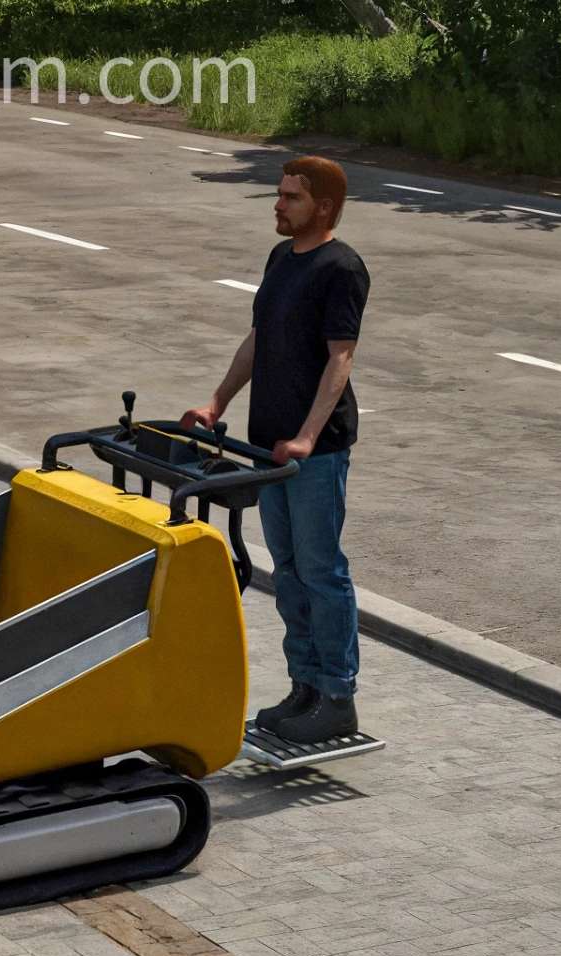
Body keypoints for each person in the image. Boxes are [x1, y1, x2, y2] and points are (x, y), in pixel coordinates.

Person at [183, 156, 369, 745]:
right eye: (280, 194)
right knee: (286, 569)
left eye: (291, 197)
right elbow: (259, 339)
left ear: (324, 207)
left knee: (320, 571)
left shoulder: (341, 268)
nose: (279, 204)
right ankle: (304, 687)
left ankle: (337, 696)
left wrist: (308, 436)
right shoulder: (280, 259)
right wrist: (216, 402)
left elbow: (340, 359)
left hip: (314, 453)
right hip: (269, 447)